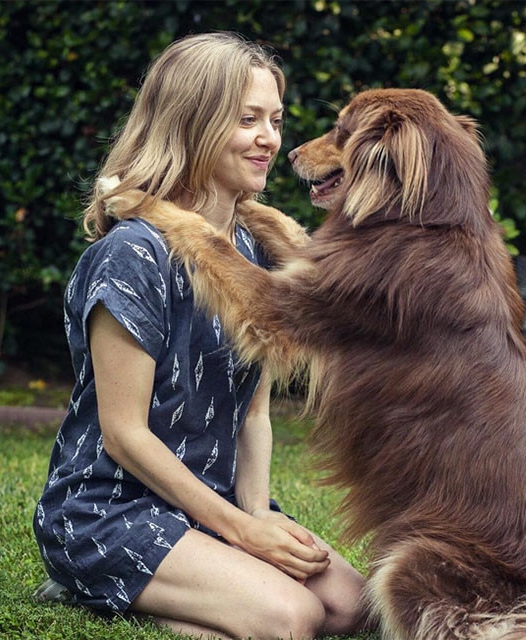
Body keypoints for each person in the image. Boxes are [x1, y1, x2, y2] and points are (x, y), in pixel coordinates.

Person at [33, 32, 366, 639]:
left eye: (275, 120)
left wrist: (257, 517)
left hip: (205, 503)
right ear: (193, 124)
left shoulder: (251, 252)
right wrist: (240, 534)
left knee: (352, 607)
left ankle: (204, 586)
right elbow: (124, 432)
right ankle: (88, 584)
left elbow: (254, 412)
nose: (271, 139)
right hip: (107, 510)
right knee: (291, 619)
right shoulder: (131, 253)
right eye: (248, 120)